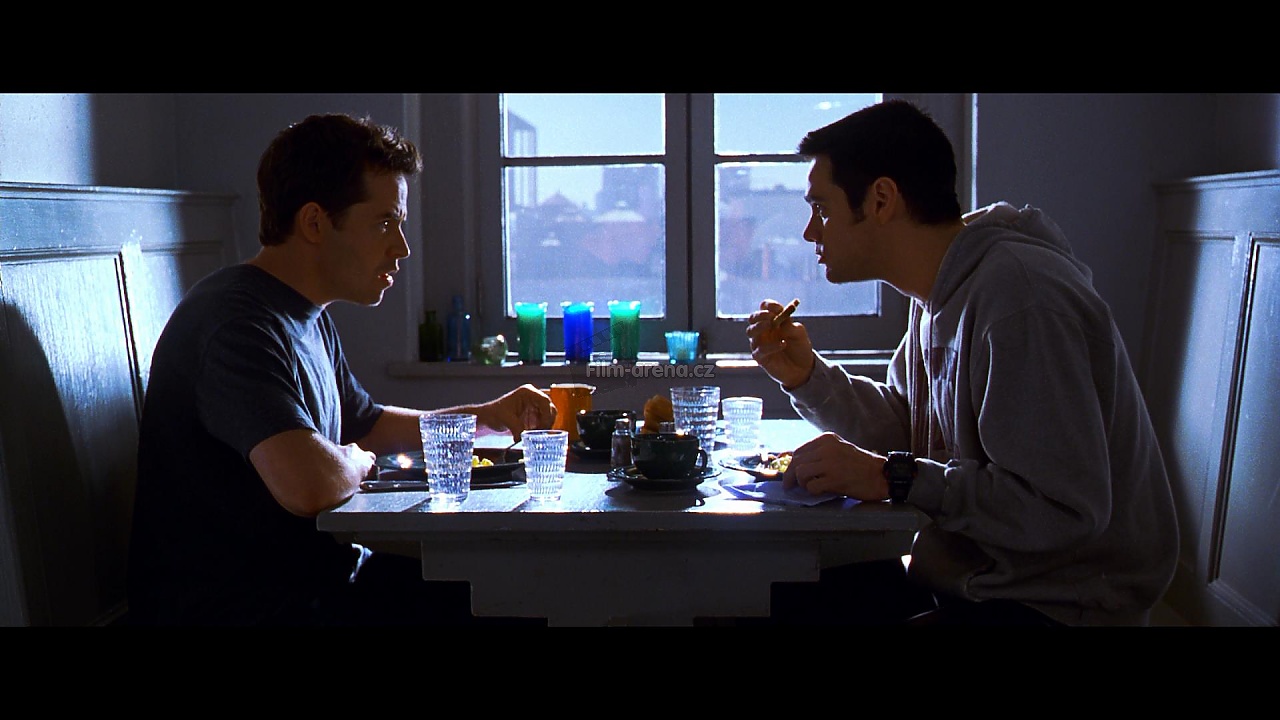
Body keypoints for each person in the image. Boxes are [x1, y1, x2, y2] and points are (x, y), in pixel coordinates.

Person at [746, 99, 1179, 626]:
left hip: (1057, 605)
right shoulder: (937, 293)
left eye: (822, 209)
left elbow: (1062, 509)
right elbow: (910, 428)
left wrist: (891, 477)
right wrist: (808, 378)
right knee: (767, 597)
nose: (810, 232)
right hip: (975, 580)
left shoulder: (1021, 298)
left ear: (881, 199)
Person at [126, 113, 556, 626]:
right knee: (520, 607)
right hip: (249, 608)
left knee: (523, 591)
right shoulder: (236, 324)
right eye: (384, 223)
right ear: (314, 222)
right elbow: (310, 485)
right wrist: (354, 461)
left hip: (319, 584)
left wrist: (487, 416)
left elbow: (366, 424)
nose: (402, 247)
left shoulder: (304, 312)